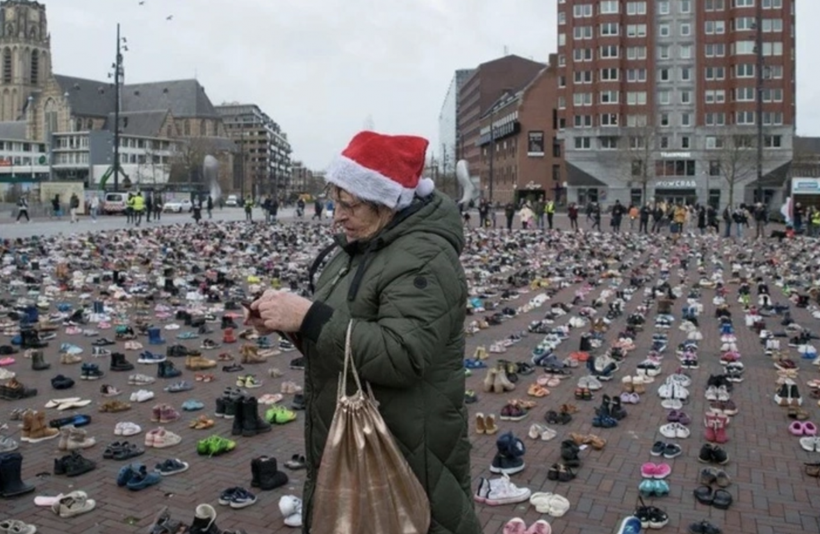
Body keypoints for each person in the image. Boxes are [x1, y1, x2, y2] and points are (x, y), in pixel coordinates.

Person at [246, 131, 480, 534]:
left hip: (406, 448)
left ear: (386, 203)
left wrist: (308, 318)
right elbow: (340, 330)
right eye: (335, 202)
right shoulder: (359, 248)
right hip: (358, 441)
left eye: (349, 204)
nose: (336, 216)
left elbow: (403, 356)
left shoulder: (423, 258)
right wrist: (288, 323)